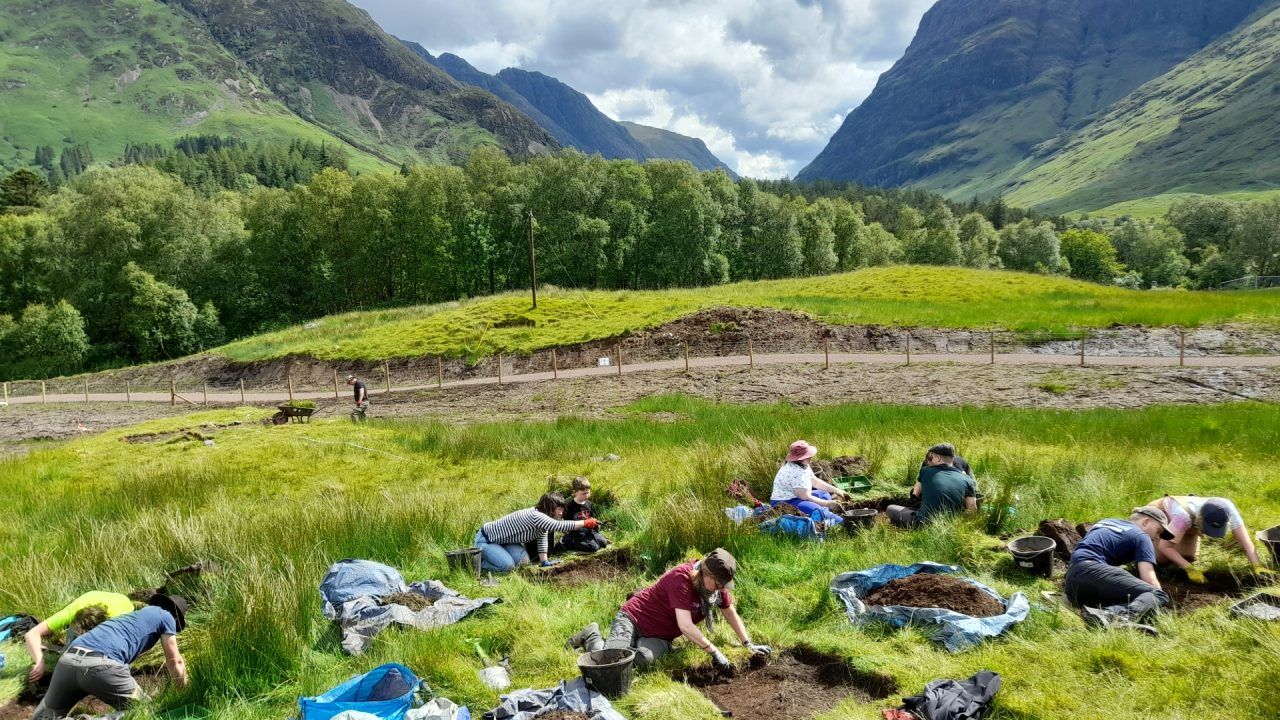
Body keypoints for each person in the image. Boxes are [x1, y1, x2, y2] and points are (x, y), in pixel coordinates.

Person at [567, 548, 771, 671]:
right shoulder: (680, 578)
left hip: (660, 635)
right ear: (705, 574)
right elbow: (685, 626)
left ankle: (629, 646)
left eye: (723, 585)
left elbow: (729, 611)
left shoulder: (714, 589)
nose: (721, 589)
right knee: (612, 662)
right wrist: (714, 651)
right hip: (633, 619)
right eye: (718, 584)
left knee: (643, 659)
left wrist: (748, 643)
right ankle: (591, 634)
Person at [32, 595, 189, 720]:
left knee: (47, 715)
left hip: (68, 659)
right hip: (100, 664)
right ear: (176, 618)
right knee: (145, 712)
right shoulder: (167, 616)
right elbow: (175, 660)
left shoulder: (127, 619)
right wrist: (183, 693)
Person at [1064, 508, 1173, 628]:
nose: (1157, 537)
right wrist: (1158, 605)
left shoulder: (1106, 522)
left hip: (1073, 585)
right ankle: (1112, 615)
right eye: (1158, 531)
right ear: (1146, 522)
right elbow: (1149, 580)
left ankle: (1100, 612)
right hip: (1093, 571)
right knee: (1158, 595)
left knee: (1134, 600)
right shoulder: (1141, 536)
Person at [1144, 495, 1274, 581]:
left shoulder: (1228, 512)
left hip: (1188, 525)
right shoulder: (1183, 517)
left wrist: (1257, 565)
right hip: (1162, 517)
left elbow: (1246, 543)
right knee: (1162, 558)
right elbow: (1165, 546)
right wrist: (1190, 569)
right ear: (1200, 520)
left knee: (1189, 557)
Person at [25, 591, 136, 684]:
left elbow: (125, 658)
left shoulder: (117, 626)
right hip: (91, 597)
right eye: (77, 630)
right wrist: (39, 662)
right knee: (70, 651)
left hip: (122, 603)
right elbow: (31, 634)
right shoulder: (72, 612)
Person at [475, 493, 599, 572]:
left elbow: (542, 539)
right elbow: (558, 525)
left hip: (505, 542)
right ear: (550, 508)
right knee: (508, 567)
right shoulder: (536, 515)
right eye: (559, 509)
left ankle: (496, 557)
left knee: (524, 563)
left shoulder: (542, 519)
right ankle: (478, 561)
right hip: (487, 540)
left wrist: (544, 561)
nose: (562, 512)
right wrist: (585, 522)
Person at [888, 443, 977, 527]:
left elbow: (916, 492)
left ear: (938, 458)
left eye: (932, 457)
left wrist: (913, 500)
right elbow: (972, 510)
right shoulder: (968, 479)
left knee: (890, 508)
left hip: (924, 523)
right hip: (951, 524)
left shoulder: (925, 471)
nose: (930, 460)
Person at [769, 441, 851, 516]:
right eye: (808, 456)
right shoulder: (796, 472)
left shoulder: (803, 464)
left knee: (824, 494)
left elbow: (814, 481)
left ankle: (822, 508)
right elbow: (805, 497)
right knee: (821, 513)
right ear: (799, 458)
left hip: (799, 497)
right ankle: (827, 514)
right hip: (786, 502)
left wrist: (836, 490)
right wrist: (828, 504)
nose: (811, 458)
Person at [554, 477, 611, 553]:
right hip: (576, 534)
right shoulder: (568, 506)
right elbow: (565, 524)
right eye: (583, 493)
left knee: (603, 543)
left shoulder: (589, 504)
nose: (586, 496)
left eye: (588, 492)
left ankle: (592, 541)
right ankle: (569, 544)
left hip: (589, 532)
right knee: (594, 548)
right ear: (575, 492)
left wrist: (596, 524)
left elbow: (591, 518)